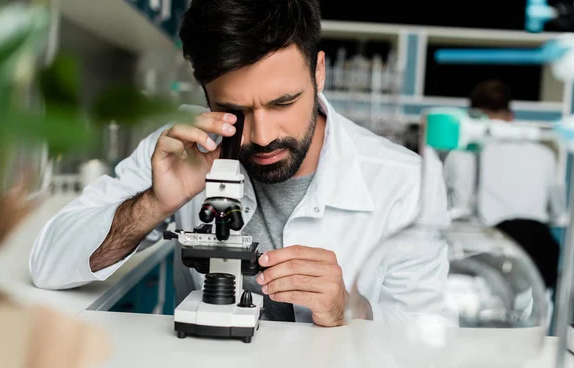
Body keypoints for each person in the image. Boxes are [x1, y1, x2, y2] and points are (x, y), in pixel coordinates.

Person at [30, 0, 450, 326]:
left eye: (283, 102)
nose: (263, 135)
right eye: (235, 109)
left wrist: (349, 309)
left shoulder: (407, 182)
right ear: (205, 94)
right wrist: (153, 203)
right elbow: (49, 265)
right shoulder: (182, 146)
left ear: (318, 72)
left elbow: (424, 332)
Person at [443, 79, 563, 290]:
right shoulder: (544, 154)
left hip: (488, 256)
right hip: (537, 256)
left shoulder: (462, 155)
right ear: (511, 116)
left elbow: (455, 210)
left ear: (472, 116)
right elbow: (558, 211)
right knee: (537, 317)